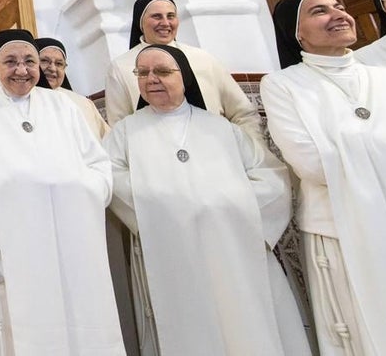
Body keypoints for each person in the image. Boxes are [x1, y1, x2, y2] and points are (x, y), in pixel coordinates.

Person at [261, 0, 386, 354]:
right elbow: (312, 164)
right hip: (340, 227)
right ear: (296, 33)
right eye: (319, 11)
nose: (338, 14)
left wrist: (355, 143)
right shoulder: (283, 85)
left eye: (340, 6)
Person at [103, 44, 309, 356]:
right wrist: (165, 205)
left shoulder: (221, 127)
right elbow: (111, 178)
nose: (151, 79)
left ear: (184, 77)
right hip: (167, 245)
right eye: (142, 73)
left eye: (161, 71)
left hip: (234, 243)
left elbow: (271, 176)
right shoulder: (124, 133)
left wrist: (228, 206)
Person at [0, 29, 124, 355]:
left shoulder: (62, 105)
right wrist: (26, 177)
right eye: (10, 61)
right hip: (0, 238)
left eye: (29, 61)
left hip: (63, 236)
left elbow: (98, 168)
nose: (22, 69)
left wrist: (71, 186)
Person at [103, 0, 261, 142]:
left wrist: (249, 151)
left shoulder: (203, 58)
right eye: (156, 16)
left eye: (170, 16)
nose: (165, 23)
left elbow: (243, 113)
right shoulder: (120, 67)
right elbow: (119, 129)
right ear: (140, 23)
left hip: (217, 149)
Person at [35, 36, 109, 139]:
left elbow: (108, 140)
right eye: (44, 61)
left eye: (59, 63)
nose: (52, 68)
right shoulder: (22, 100)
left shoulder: (84, 103)